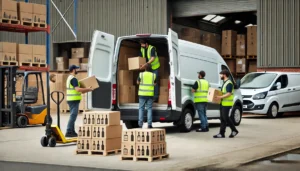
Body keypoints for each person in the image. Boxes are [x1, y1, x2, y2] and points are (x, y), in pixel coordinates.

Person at [65, 65, 93, 137]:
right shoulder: (73, 79)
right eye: (77, 69)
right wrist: (88, 89)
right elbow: (78, 89)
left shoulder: (69, 78)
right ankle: (68, 131)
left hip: (71, 100)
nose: (78, 70)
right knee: (73, 116)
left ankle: (72, 131)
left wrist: (86, 89)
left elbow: (79, 90)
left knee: (73, 115)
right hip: (73, 100)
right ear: (74, 70)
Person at [214, 70, 239, 138]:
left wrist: (220, 97)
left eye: (220, 74)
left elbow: (229, 93)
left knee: (226, 118)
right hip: (223, 103)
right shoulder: (225, 83)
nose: (220, 76)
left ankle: (234, 130)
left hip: (227, 104)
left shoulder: (229, 83)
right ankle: (221, 133)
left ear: (224, 75)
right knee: (222, 118)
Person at [137, 63, 157, 128]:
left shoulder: (141, 74)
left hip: (142, 94)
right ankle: (149, 124)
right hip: (150, 95)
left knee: (141, 109)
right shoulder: (153, 75)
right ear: (151, 68)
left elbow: (137, 82)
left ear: (145, 68)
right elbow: (155, 84)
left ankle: (140, 124)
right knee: (149, 109)